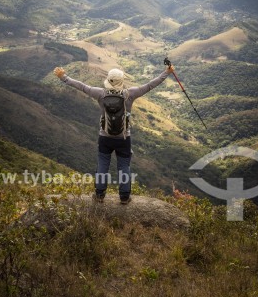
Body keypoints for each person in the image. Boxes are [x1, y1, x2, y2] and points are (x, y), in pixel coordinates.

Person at [53, 63, 175, 204]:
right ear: (121, 81)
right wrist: (167, 72)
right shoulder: (130, 94)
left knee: (103, 164)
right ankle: (124, 197)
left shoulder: (100, 93)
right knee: (124, 166)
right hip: (123, 138)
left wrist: (63, 77)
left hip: (104, 137)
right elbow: (150, 85)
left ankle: (99, 195)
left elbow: (81, 86)